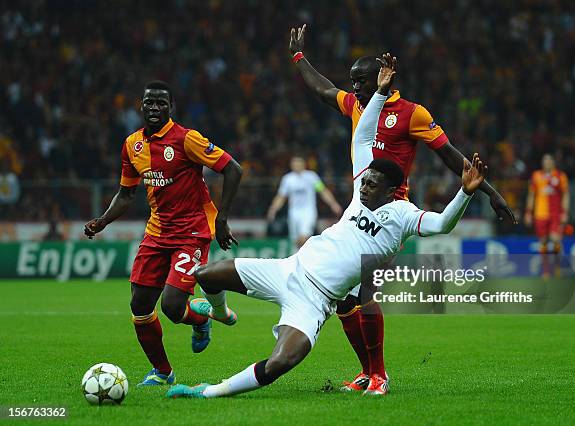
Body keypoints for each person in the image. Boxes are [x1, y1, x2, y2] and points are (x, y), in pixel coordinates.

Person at [166, 55, 485, 399]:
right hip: (288, 269)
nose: (363, 185)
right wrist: (378, 94)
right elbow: (363, 138)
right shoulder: (360, 193)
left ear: (390, 189)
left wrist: (465, 193)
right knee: (205, 274)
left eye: (372, 182)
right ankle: (219, 312)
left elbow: (441, 225)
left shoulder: (405, 215)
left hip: (315, 301)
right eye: (364, 180)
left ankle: (206, 392)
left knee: (281, 363)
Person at [288, 24, 517, 394]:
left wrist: (490, 192)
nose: (355, 89)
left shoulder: (412, 113)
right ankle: (368, 372)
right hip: (359, 205)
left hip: (391, 211)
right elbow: (321, 90)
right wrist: (299, 56)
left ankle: (379, 375)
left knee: (364, 291)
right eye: (353, 82)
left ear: (382, 78)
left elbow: (450, 155)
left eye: (361, 81)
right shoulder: (357, 107)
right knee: (344, 298)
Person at [83, 80, 242, 386]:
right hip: (156, 233)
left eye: (161, 104)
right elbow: (126, 194)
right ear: (140, 106)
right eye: (149, 103)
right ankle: (163, 372)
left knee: (170, 306)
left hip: (192, 232)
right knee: (139, 307)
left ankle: (198, 318)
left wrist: (221, 220)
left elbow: (233, 168)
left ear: (171, 108)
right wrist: (102, 221)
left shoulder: (187, 139)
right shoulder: (132, 145)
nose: (154, 108)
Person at [267, 155, 343, 249]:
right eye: (294, 163)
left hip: (308, 211)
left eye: (299, 163)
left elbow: (322, 190)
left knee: (304, 237)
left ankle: (306, 259)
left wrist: (333, 204)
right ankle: (298, 259)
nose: (297, 165)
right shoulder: (288, 179)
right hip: (294, 212)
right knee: (296, 241)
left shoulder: (311, 177)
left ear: (304, 164)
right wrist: (273, 209)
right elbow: (281, 196)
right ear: (291, 165)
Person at [524, 154, 569, 277]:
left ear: (553, 162)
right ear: (542, 163)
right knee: (543, 242)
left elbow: (565, 195)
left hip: (555, 215)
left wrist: (565, 212)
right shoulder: (536, 176)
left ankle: (557, 267)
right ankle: (545, 271)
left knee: (556, 239)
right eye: (545, 160)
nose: (547, 162)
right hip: (540, 214)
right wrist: (528, 212)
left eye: (549, 160)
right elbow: (531, 195)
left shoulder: (560, 176)